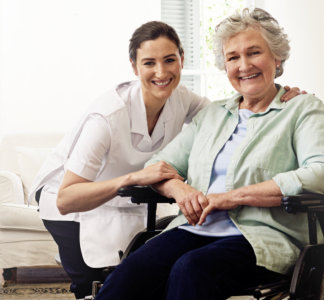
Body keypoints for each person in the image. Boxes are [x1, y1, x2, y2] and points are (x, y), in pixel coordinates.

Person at [29, 20, 301, 299]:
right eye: (149, 63)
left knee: (151, 272)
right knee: (96, 283)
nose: (161, 72)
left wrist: (283, 97)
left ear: (182, 60)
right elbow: (66, 199)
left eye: (169, 60)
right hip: (70, 202)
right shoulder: (106, 118)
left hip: (128, 197)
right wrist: (136, 179)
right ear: (134, 67)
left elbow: (232, 114)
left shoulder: (183, 99)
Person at [95, 7, 324, 300]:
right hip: (194, 229)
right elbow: (158, 165)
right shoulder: (212, 114)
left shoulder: (302, 109)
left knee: (191, 269)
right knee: (132, 273)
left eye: (254, 53)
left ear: (277, 58)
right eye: (233, 57)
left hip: (264, 237)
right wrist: (181, 190)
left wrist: (231, 197)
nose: (244, 65)